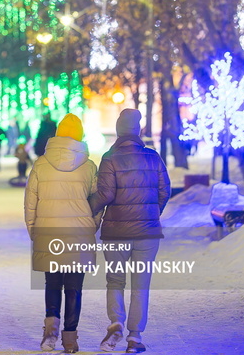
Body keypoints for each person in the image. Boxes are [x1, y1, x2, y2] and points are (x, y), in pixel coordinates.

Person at [89, 108, 170, 353]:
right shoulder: (153, 157)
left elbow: (105, 194)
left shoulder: (110, 158)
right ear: (138, 131)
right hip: (147, 233)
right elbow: (164, 191)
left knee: (115, 280)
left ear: (118, 131)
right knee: (141, 284)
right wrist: (152, 213)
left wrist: (86, 208)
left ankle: (116, 322)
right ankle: (135, 337)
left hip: (116, 232)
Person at [24, 114, 100, 354]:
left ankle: (50, 335)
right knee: (74, 287)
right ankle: (70, 340)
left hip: (49, 233)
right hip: (80, 233)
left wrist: (34, 230)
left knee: (53, 283)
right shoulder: (89, 166)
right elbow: (97, 203)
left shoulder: (41, 164)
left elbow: (30, 202)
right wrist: (92, 226)